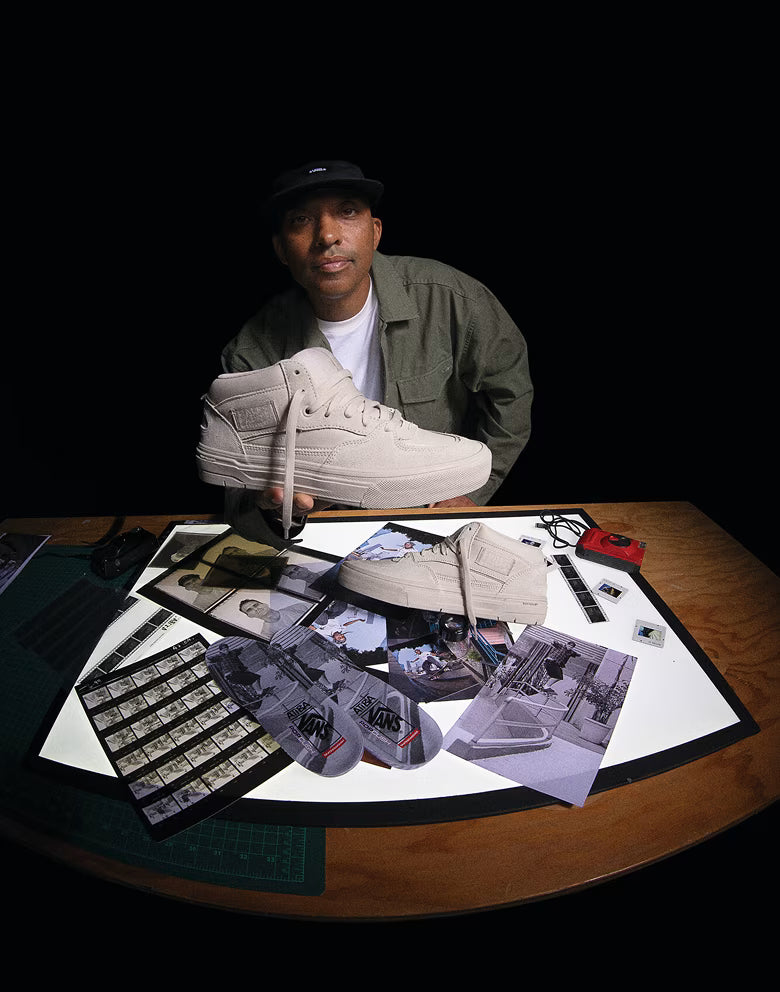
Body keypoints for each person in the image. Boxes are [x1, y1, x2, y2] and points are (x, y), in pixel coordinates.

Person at [219, 159, 534, 544]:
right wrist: (278, 512)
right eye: (301, 220)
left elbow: (511, 391)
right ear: (282, 249)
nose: (327, 236)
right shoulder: (251, 354)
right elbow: (238, 484)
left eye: (347, 212)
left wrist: (471, 491)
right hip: (324, 533)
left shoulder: (451, 299)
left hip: (429, 524)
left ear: (375, 231)